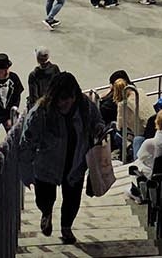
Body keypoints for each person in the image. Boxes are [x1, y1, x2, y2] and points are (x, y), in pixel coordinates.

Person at [16, 71, 103, 245]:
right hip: (47, 165)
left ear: (75, 95)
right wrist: (26, 172)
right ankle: (46, 213)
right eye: (59, 99)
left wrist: (99, 128)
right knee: (44, 198)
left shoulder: (85, 107)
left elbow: (97, 121)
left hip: (75, 163)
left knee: (72, 200)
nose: (63, 103)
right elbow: (27, 143)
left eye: (67, 98)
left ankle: (66, 228)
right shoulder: (40, 112)